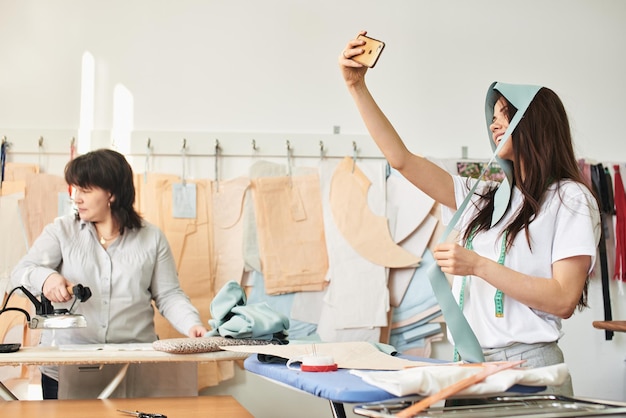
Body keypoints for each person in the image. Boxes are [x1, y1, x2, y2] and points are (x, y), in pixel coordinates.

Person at [339, 31, 601, 396]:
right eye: (493, 117)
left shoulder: (570, 199)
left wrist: (477, 265)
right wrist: (356, 87)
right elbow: (401, 160)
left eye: (505, 114)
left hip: (529, 370)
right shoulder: (484, 198)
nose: (494, 125)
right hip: (469, 365)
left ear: (535, 122)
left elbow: (563, 299)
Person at [11, 148, 207, 399]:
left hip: (133, 365)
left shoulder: (151, 238)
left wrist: (192, 325)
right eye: (75, 190)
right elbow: (21, 272)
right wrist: (46, 278)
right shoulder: (61, 231)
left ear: (111, 194)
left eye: (85, 190)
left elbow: (169, 295)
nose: (76, 198)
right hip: (68, 366)